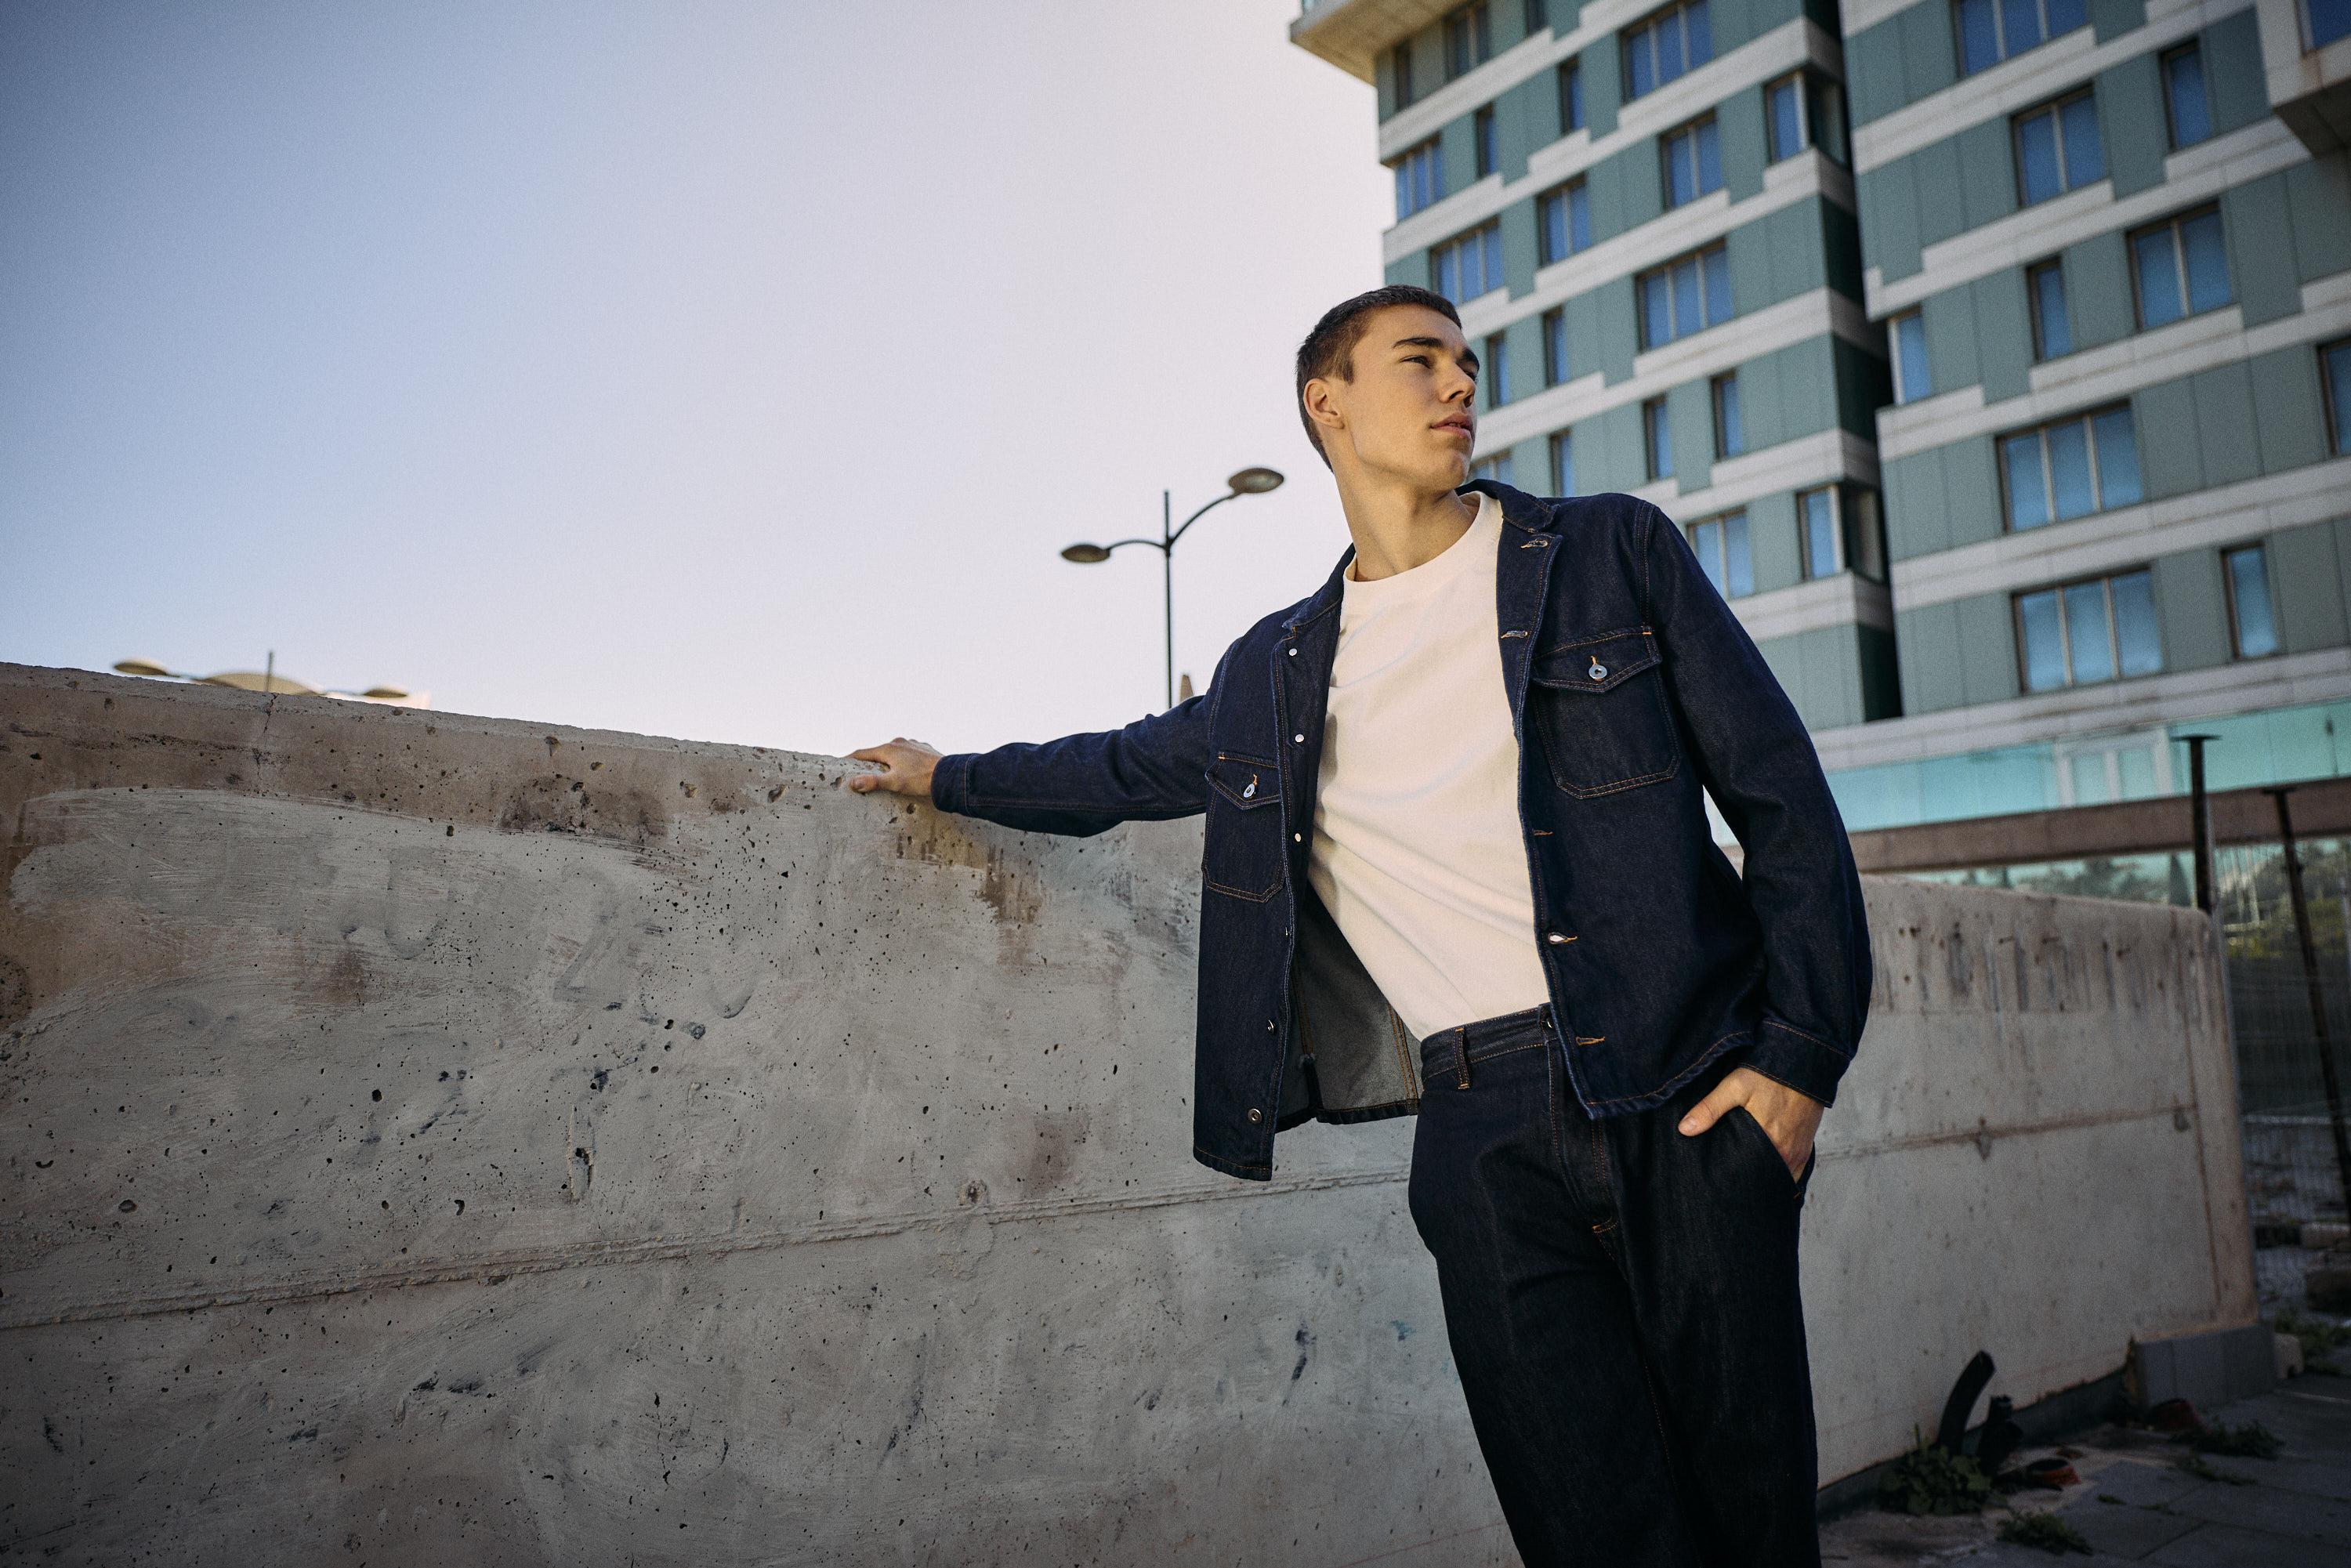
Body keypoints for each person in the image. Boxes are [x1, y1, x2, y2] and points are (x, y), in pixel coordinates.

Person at [847, 283, 1872, 1567]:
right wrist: (948, 775)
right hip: (1483, 1140)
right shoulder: (1275, 671)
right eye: (1421, 361)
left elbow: (1784, 801)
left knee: (1753, 1529)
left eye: (1466, 363)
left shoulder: (1609, 553)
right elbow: (1112, 771)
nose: (1460, 385)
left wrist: (1797, 1066)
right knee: (1594, 1535)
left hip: (1687, 1093)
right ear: (1326, 403)